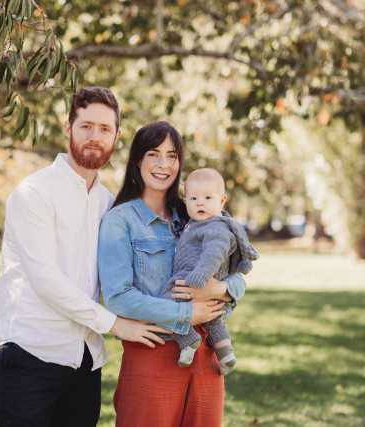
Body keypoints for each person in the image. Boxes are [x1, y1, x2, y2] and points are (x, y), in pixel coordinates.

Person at [0, 87, 170, 427]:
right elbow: (46, 280)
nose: (95, 137)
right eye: (86, 126)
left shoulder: (108, 204)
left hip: (85, 361)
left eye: (104, 129)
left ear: (116, 136)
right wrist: (116, 325)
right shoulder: (34, 193)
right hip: (30, 354)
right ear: (68, 127)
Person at [97, 121, 248, 426]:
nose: (164, 164)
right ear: (137, 160)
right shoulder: (120, 220)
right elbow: (118, 297)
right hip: (153, 352)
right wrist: (185, 314)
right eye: (153, 154)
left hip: (207, 353)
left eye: (172, 156)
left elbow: (237, 273)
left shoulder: (197, 210)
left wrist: (221, 290)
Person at [158, 168, 259, 375]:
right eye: (194, 198)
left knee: (167, 302)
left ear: (222, 200)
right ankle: (226, 354)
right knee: (213, 318)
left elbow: (214, 253)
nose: (200, 203)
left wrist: (200, 275)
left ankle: (188, 340)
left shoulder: (215, 227)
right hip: (200, 277)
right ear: (185, 202)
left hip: (196, 276)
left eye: (207, 197)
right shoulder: (198, 224)